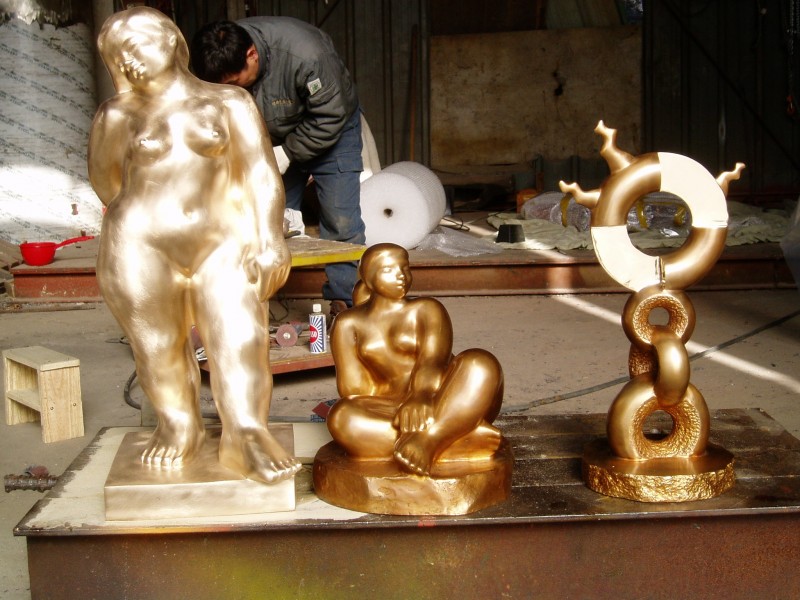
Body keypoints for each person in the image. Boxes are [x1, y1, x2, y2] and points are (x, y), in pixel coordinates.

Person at [88, 6, 300, 484]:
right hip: (140, 243)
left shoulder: (229, 103)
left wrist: (270, 237)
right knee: (157, 343)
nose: (129, 60)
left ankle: (246, 432)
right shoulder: (117, 114)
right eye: (117, 56)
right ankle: (177, 425)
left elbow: (261, 172)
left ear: (170, 40)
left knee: (241, 336)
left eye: (136, 45)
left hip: (221, 240)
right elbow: (107, 183)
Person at [190, 17, 366, 318]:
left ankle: (343, 303)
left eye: (233, 83)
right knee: (265, 217)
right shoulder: (218, 57)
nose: (229, 90)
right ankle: (260, 298)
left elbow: (330, 116)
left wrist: (287, 153)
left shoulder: (307, 54)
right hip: (270, 137)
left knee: (341, 220)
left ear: (252, 55)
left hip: (332, 129)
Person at [327, 243, 505, 476]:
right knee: (342, 417)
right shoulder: (348, 324)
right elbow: (353, 390)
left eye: (405, 268)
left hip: (447, 398)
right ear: (369, 278)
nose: (401, 276)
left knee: (480, 363)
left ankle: (431, 439)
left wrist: (421, 395)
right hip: (393, 407)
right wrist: (402, 407)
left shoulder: (426, 309)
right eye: (389, 270)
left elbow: (434, 359)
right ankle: (460, 438)